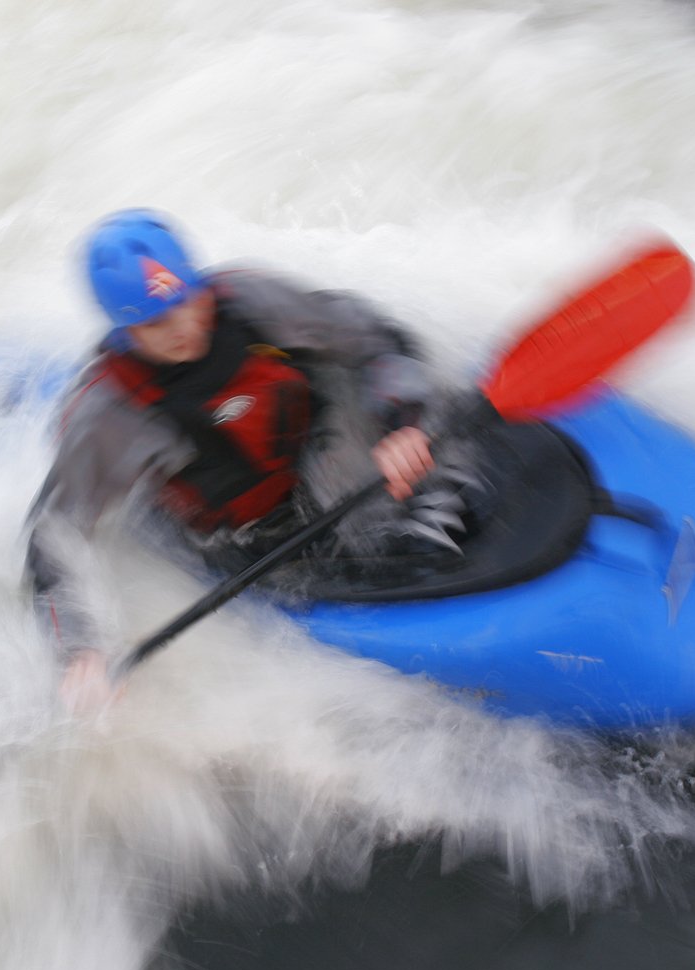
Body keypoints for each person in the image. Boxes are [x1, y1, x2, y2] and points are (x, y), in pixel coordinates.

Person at [25, 210, 483, 712]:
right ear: (125, 330)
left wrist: (404, 422)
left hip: (318, 453)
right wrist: (80, 651)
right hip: (242, 532)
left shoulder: (252, 301)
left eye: (188, 301)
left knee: (423, 502)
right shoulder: (107, 415)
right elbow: (54, 536)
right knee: (378, 545)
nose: (185, 327)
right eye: (157, 321)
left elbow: (377, 339)